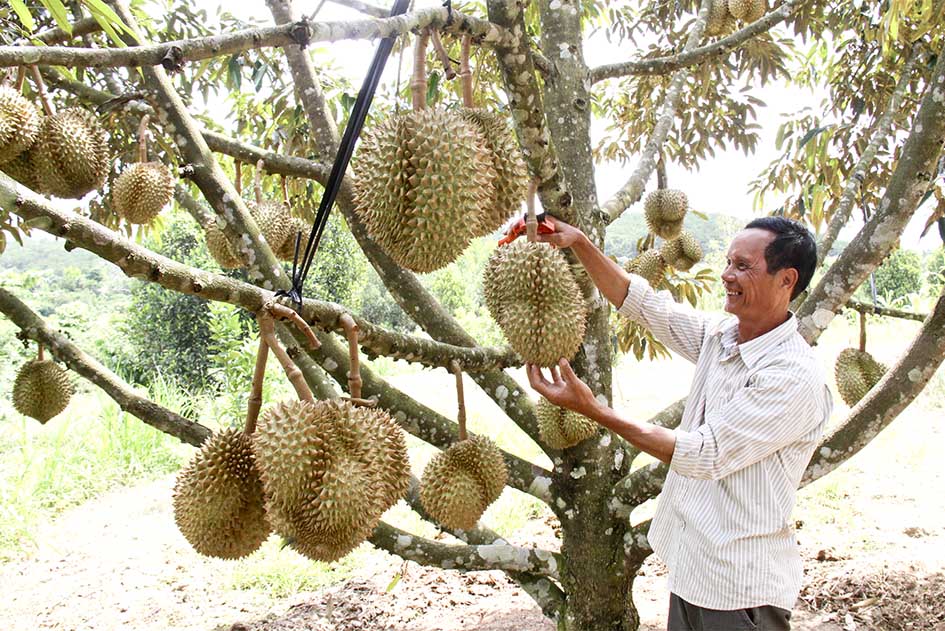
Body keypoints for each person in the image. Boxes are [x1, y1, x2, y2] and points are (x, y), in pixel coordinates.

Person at [525, 216, 832, 631]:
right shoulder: (723, 337)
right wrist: (580, 244)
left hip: (741, 590)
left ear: (786, 279)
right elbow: (644, 304)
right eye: (728, 262)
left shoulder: (792, 377)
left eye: (743, 266)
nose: (727, 275)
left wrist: (595, 410)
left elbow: (704, 453)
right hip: (694, 569)